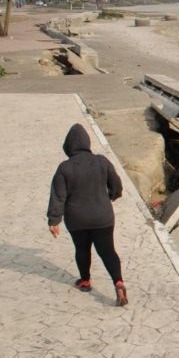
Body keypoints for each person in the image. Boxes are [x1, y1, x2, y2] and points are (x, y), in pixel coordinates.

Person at [47, 124, 128, 306]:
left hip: (77, 220)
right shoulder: (102, 161)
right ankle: (119, 282)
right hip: (103, 218)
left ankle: (85, 281)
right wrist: (108, 198)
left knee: (82, 249)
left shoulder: (64, 168)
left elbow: (58, 196)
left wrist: (54, 220)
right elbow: (117, 187)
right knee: (108, 251)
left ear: (68, 146)